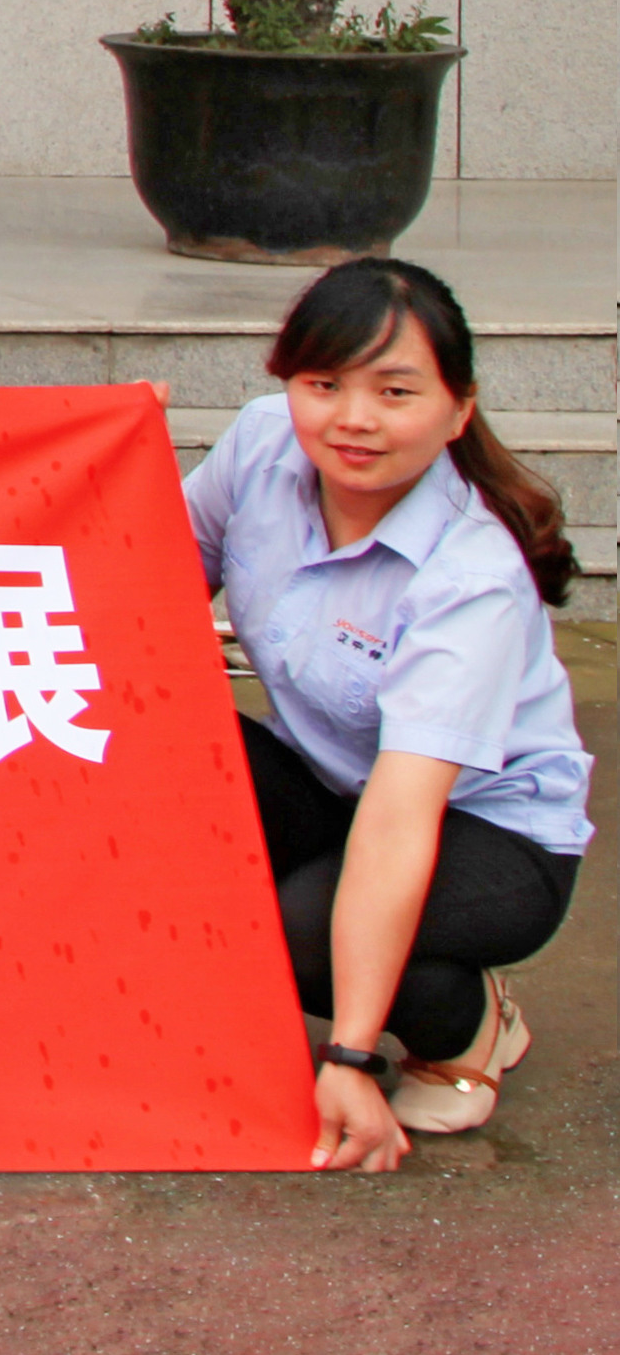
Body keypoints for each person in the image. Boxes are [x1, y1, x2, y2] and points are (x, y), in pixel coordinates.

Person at [188, 258, 587, 1165]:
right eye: (323, 384)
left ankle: (465, 1032)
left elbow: (401, 818)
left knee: (298, 933)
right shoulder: (261, 444)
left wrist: (348, 1056)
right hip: (332, 783)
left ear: (457, 408)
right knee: (168, 753)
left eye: (394, 390)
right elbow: (145, 572)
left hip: (486, 831)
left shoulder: (470, 578)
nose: (352, 418)